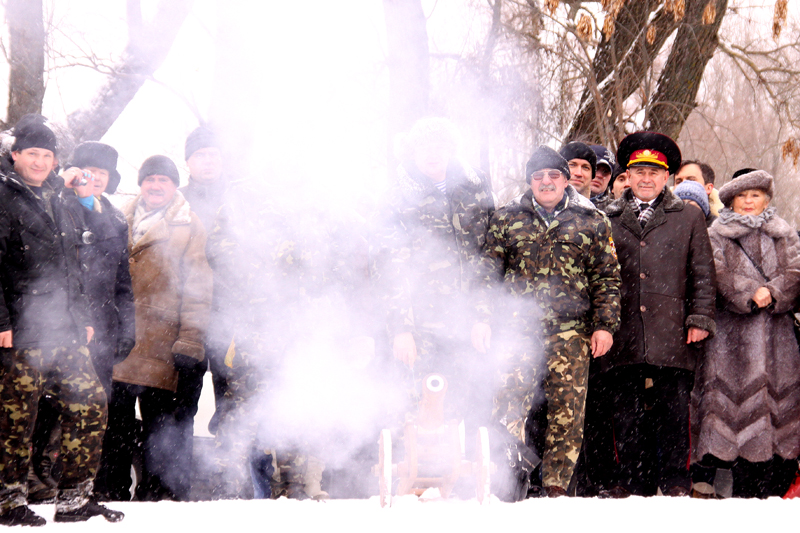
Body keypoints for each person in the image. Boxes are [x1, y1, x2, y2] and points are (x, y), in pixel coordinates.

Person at [473, 146, 621, 499]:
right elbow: (486, 275)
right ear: (529, 181)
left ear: (566, 180)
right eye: (538, 176)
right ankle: (508, 482)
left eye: (554, 175)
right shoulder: (507, 218)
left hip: (570, 330)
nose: (546, 182)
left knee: (567, 412)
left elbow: (606, 278)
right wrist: (482, 319)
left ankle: (556, 487)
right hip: (516, 329)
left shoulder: (592, 221)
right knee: (508, 405)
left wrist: (604, 325)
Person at [0, 115, 122, 525]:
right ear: (15, 154)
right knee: (16, 419)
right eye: (32, 153)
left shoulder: (58, 196)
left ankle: (74, 499)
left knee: (90, 403)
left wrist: (82, 316)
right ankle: (8, 502)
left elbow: (75, 262)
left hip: (63, 327)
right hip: (20, 329)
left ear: (56, 161)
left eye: (47, 155)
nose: (39, 162)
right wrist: (1, 322)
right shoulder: (3, 195)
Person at [591, 131, 716, 498]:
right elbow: (596, 273)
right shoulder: (607, 217)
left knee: (675, 411)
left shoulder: (688, 216)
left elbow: (703, 273)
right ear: (627, 176)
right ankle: (629, 480)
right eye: (639, 172)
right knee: (624, 412)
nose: (646, 179)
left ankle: (676, 480)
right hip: (622, 330)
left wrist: (699, 318)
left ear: (666, 177)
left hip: (672, 329)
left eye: (654, 172)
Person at [370, 117, 494, 422]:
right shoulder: (396, 197)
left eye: (439, 146)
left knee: (469, 410)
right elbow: (388, 267)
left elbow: (489, 256)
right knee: (420, 412)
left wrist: (483, 316)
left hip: (468, 323)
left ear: (451, 149)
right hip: (420, 327)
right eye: (424, 146)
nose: (432, 153)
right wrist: (401, 329)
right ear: (412, 152)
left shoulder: (476, 189)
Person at [104, 155, 212, 501]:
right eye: (149, 179)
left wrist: (190, 340)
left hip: (162, 344)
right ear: (140, 184)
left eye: (163, 180)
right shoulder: (117, 218)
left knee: (160, 429)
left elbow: (198, 289)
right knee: (114, 426)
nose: (155, 186)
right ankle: (110, 492)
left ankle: (158, 496)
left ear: (174, 186)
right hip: (119, 341)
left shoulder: (189, 225)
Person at [693, 170, 800, 498]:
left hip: (778, 338)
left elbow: (796, 270)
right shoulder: (716, 233)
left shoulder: (785, 232)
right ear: (731, 201)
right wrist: (748, 292)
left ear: (766, 200)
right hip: (731, 339)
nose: (749, 201)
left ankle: (773, 488)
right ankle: (736, 491)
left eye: (755, 195)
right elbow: (715, 272)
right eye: (742, 196)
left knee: (779, 418)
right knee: (732, 420)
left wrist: (774, 291)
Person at [179, 126, 230, 435]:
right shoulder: (176, 201)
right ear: (188, 161)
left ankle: (230, 464)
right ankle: (175, 465)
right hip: (186, 315)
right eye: (200, 155)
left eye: (213, 154)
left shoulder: (241, 201)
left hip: (231, 313)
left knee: (233, 401)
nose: (208, 161)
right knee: (181, 401)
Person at [589, 145, 616, 210]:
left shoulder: (616, 211)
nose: (599, 175)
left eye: (605, 171)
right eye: (595, 168)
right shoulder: (564, 201)